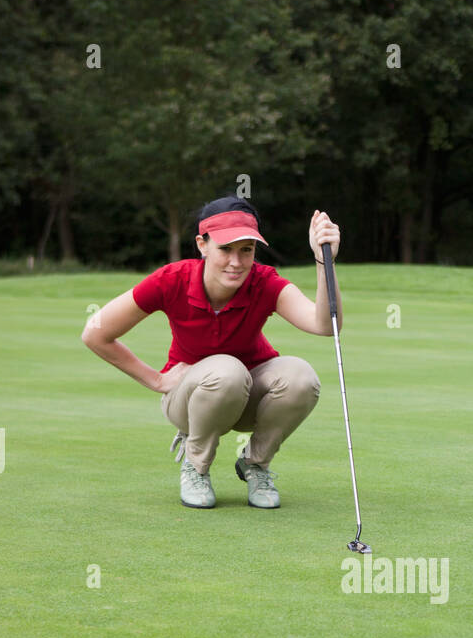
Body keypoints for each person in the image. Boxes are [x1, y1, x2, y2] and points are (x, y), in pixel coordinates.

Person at [81, 198, 342, 508]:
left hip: (248, 397)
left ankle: (255, 465)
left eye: (246, 250)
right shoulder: (171, 280)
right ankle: (196, 466)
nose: (236, 261)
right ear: (202, 245)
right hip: (189, 401)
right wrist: (155, 380)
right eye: (225, 249)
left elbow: (325, 325)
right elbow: (95, 333)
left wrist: (324, 260)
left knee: (301, 377)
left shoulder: (263, 281)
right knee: (226, 370)